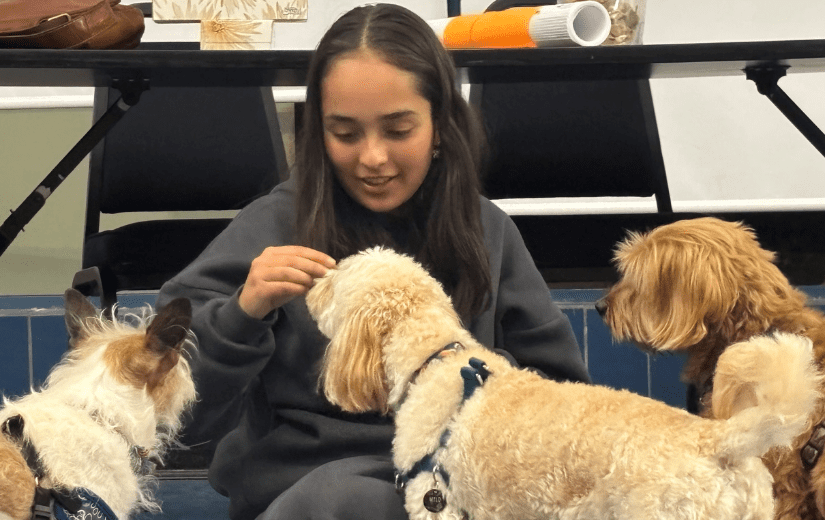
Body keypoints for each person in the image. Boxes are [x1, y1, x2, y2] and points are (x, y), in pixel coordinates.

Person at [156, 4, 590, 519]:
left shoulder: (487, 229)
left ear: (441, 125)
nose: (372, 158)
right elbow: (175, 416)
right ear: (318, 131)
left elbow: (565, 397)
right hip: (311, 492)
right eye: (345, 133)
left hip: (461, 485)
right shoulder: (271, 228)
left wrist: (480, 390)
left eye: (398, 130)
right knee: (353, 499)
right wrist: (240, 316)